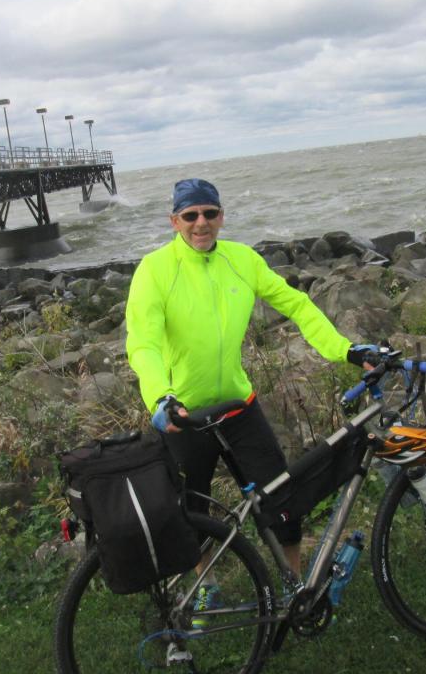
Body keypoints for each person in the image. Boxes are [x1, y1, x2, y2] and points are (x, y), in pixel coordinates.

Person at [125, 178, 377, 596]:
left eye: (209, 213)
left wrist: (345, 350)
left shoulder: (242, 259)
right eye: (190, 215)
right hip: (184, 417)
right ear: (175, 221)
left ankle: (295, 586)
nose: (200, 223)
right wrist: (160, 396)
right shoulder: (154, 271)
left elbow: (296, 303)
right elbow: (143, 342)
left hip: (238, 407)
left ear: (221, 216)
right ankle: (204, 591)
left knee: (283, 500)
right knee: (193, 513)